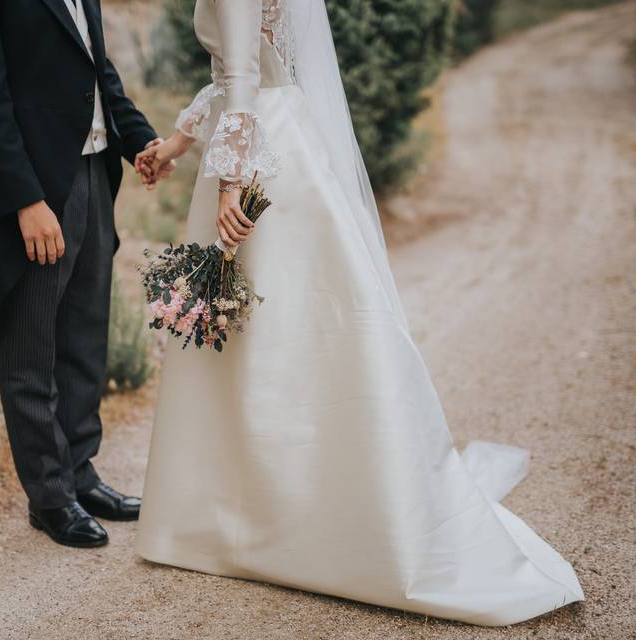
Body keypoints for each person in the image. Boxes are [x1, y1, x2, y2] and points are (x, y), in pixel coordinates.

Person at [133, 0, 585, 626]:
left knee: (267, 329)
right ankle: (249, 506)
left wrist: (231, 184)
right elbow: (240, 73)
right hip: (278, 137)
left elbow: (239, 79)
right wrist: (180, 143)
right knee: (273, 330)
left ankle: (254, 516)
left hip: (257, 163)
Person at [0, 0, 174, 548]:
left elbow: (96, 67)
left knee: (84, 339)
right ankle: (49, 495)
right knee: (30, 346)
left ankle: (81, 474)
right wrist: (24, 201)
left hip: (92, 170)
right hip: (32, 187)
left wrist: (139, 141)